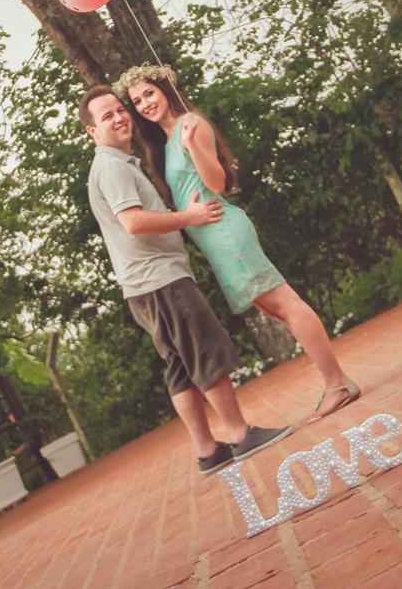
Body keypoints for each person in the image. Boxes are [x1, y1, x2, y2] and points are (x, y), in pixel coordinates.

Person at [115, 65, 360, 423]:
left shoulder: (190, 125)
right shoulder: (164, 143)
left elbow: (216, 180)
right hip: (213, 238)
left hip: (225, 230)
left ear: (165, 89)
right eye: (137, 101)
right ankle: (336, 381)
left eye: (148, 93)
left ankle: (338, 383)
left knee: (286, 303)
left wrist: (191, 146)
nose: (144, 104)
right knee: (277, 308)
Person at [80, 85, 292, 474]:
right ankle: (240, 433)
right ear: (92, 132)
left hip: (144, 286)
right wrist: (188, 218)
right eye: (106, 116)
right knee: (205, 352)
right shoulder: (111, 167)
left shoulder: (119, 164)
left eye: (119, 110)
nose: (119, 117)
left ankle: (208, 451)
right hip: (160, 281)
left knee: (179, 368)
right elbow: (134, 222)